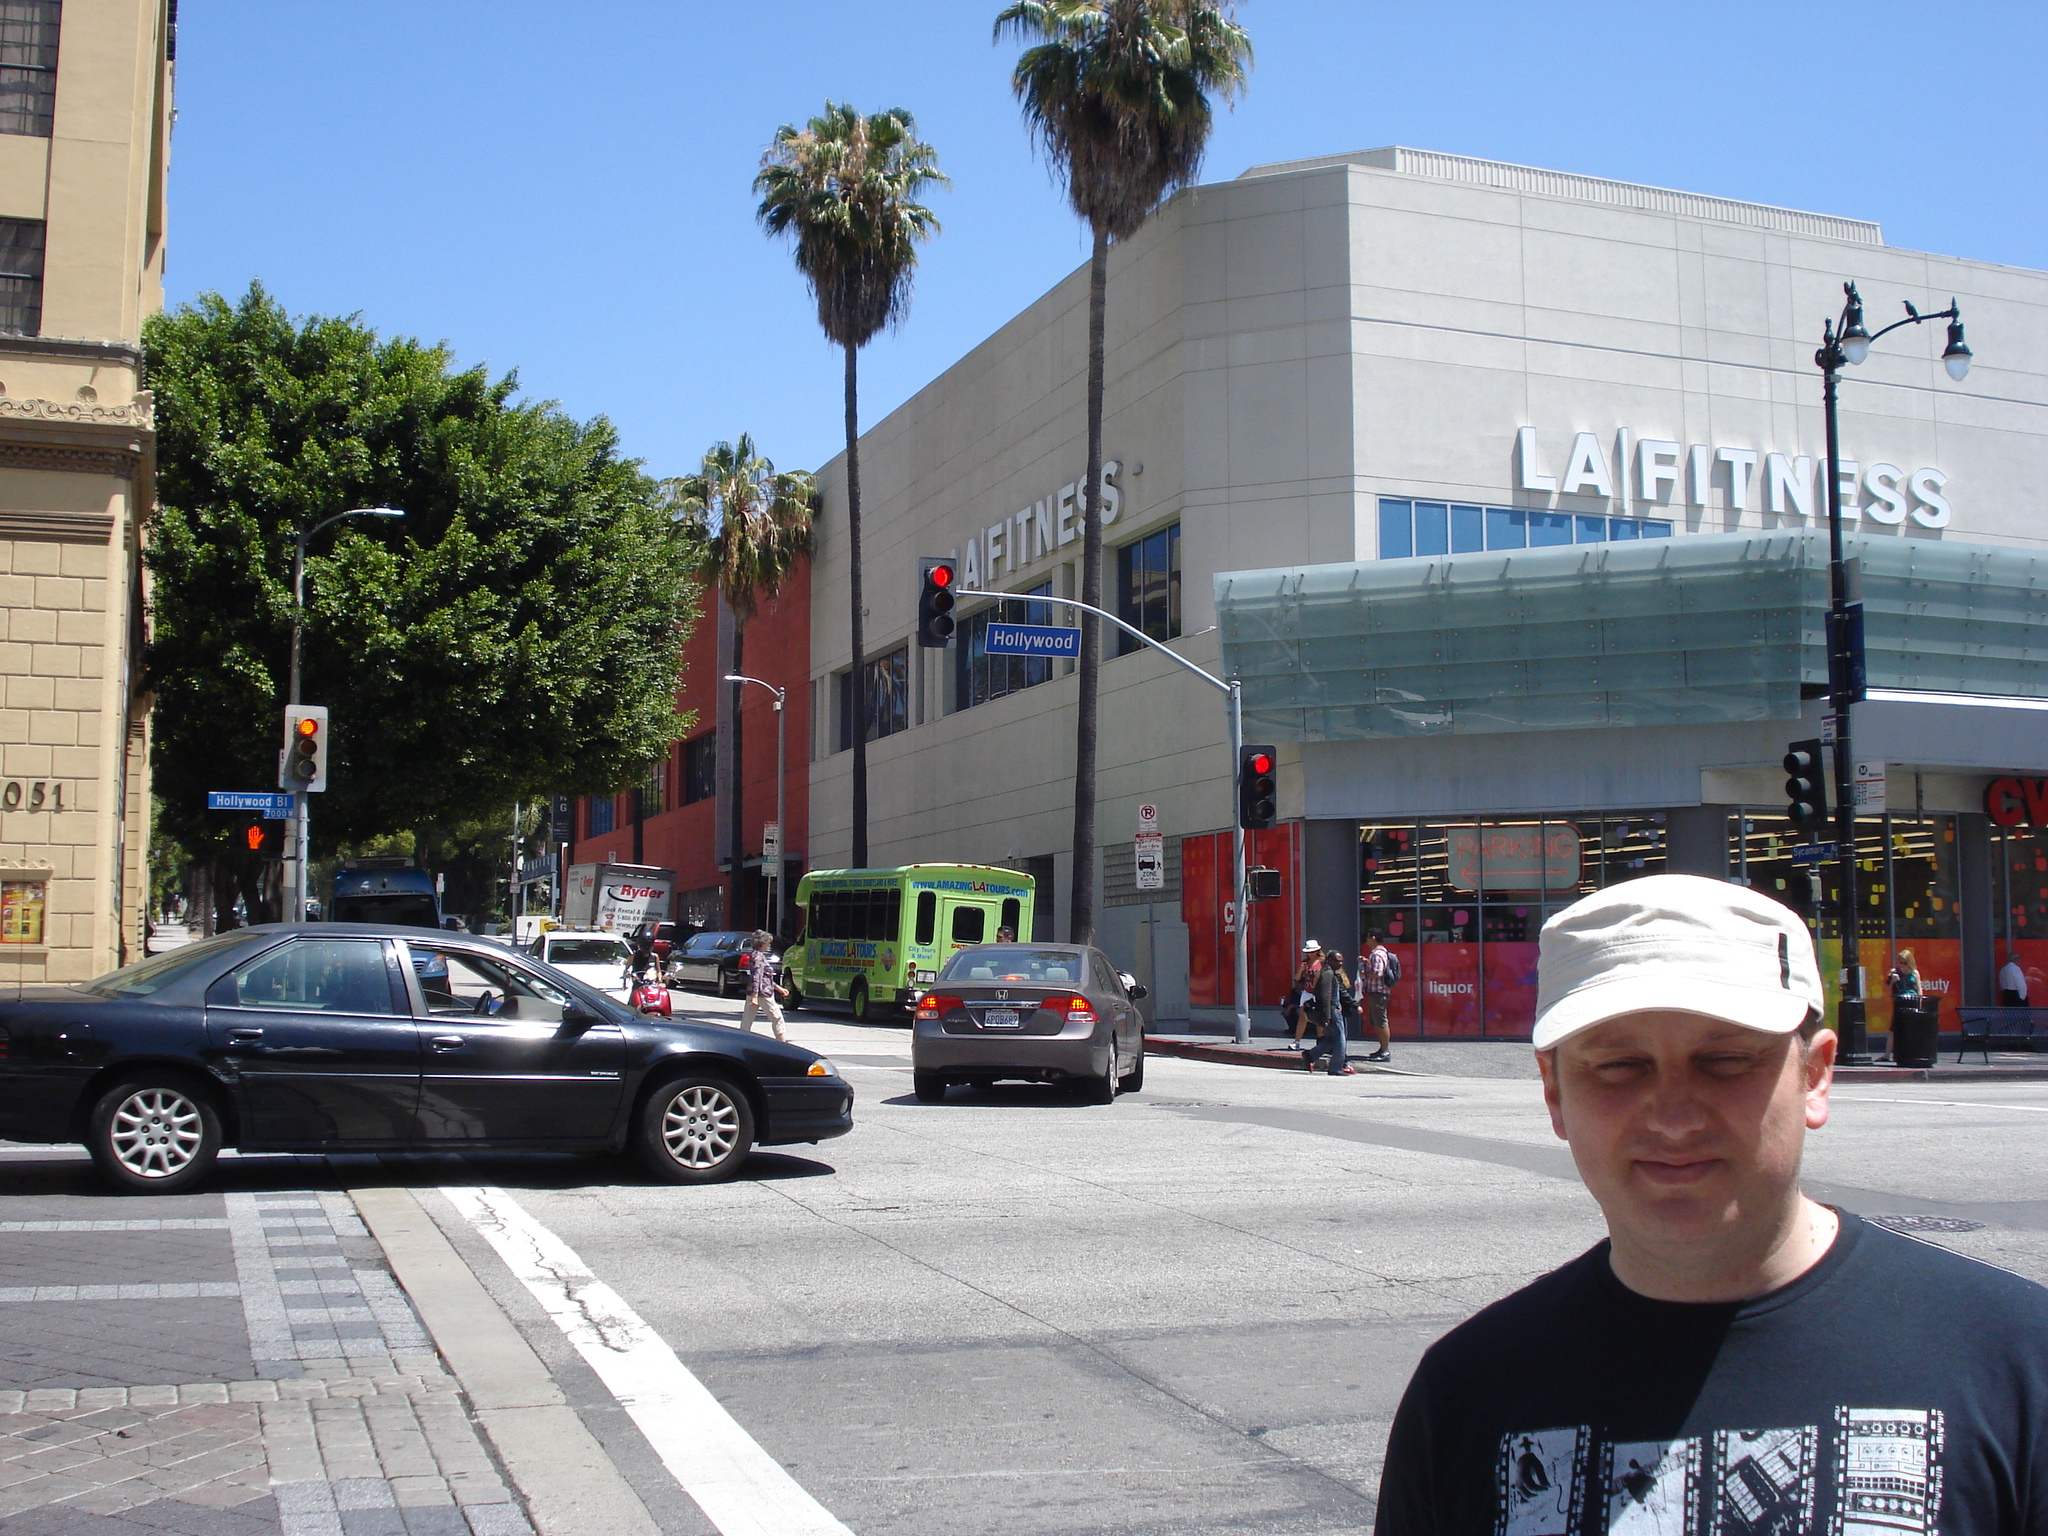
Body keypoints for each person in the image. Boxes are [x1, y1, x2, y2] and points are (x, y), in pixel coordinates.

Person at [1373, 873, 2048, 1536]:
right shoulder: (1464, 1394)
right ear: (1554, 1093)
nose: (1673, 1118)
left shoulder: (2017, 1364)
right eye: (1619, 1067)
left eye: (1725, 1061)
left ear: (1815, 1076)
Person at [1303, 950, 1355, 1075]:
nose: (1340, 963)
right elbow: (1325, 996)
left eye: (1342, 961)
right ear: (1330, 960)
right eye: (1337, 961)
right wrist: (1327, 1015)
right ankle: (1335, 1068)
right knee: (1340, 1040)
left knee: (1331, 1039)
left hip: (1333, 1010)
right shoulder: (1327, 974)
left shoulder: (1332, 973)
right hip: (1332, 1010)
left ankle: (1311, 1055)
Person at [738, 930, 789, 1043]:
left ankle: (741, 1041)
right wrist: (755, 996)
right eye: (768, 943)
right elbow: (757, 976)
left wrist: (779, 988)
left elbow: (764, 977)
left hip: (754, 992)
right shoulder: (758, 957)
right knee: (777, 1018)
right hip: (763, 994)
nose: (769, 945)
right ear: (762, 943)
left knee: (747, 1020)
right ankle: (782, 1043)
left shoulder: (755, 955)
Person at [1360, 929, 1395, 1064]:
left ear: (1373, 938)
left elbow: (1377, 972)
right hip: (1377, 992)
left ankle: (1385, 1051)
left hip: (1378, 992)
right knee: (1375, 1021)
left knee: (1380, 1021)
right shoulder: (1379, 953)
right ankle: (1382, 1049)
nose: (1367, 940)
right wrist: (1367, 962)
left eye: (1368, 937)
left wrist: (1364, 972)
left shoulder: (1377, 954)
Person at [1286, 940, 1324, 1048]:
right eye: (1308, 952)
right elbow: (1297, 978)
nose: (1310, 954)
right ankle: (1297, 1041)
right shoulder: (1305, 963)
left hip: (1318, 993)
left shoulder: (1322, 963)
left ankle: (1321, 1042)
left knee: (1319, 1019)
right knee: (1303, 1017)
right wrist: (1301, 969)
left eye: (1312, 952)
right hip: (1307, 992)